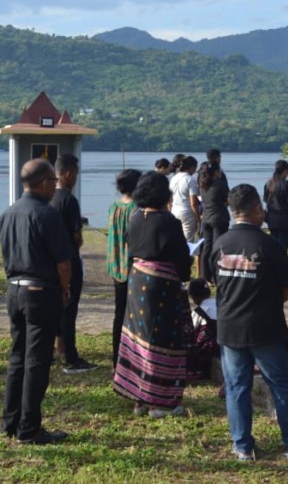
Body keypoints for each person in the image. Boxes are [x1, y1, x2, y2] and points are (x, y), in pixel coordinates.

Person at [212, 184, 288, 461]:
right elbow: (286, 290)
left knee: (237, 387)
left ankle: (242, 446)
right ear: (258, 210)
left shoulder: (219, 244)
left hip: (230, 327)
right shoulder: (270, 246)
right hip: (265, 327)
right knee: (281, 384)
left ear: (233, 212)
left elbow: (216, 283)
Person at [0, 159, 73, 444]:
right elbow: (63, 263)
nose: (55, 186)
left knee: (17, 355)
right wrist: (64, 289)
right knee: (37, 361)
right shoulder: (47, 214)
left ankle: (10, 420)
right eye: (53, 182)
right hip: (41, 291)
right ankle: (29, 427)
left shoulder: (8, 213)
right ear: (43, 183)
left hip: (14, 289)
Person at [113, 171, 194, 418]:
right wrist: (186, 271)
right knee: (162, 340)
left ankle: (140, 398)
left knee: (139, 337)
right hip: (162, 286)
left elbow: (130, 249)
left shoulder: (135, 217)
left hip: (137, 281)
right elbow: (182, 261)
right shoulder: (169, 222)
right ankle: (160, 403)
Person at [50, 154, 97, 374]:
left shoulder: (48, 197)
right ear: (67, 174)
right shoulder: (69, 200)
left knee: (54, 307)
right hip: (68, 260)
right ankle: (70, 357)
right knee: (69, 309)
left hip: (50, 261)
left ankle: (57, 348)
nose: (76, 179)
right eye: (75, 175)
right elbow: (77, 236)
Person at [107, 169, 141, 366]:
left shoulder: (113, 207)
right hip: (132, 266)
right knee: (134, 315)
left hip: (116, 265)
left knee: (119, 313)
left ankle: (116, 360)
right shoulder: (136, 210)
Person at [198, 161, 229, 283]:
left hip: (206, 219)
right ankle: (216, 276)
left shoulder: (202, 185)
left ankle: (205, 276)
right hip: (219, 218)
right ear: (216, 172)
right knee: (218, 247)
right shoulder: (221, 185)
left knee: (207, 247)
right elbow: (227, 200)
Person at [186, 278, 218, 382]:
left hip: (209, 349)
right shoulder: (219, 304)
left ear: (193, 296)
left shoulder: (199, 311)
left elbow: (192, 328)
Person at [263, 159, 288, 251]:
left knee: (274, 246)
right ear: (285, 171)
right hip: (285, 219)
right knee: (283, 246)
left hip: (272, 219)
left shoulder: (268, 183)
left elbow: (266, 201)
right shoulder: (286, 184)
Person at [169, 155, 199, 242]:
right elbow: (193, 203)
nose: (195, 171)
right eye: (195, 168)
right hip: (186, 212)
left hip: (174, 211)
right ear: (191, 167)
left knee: (176, 239)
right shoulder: (190, 180)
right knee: (188, 241)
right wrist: (198, 219)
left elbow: (169, 199)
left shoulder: (173, 178)